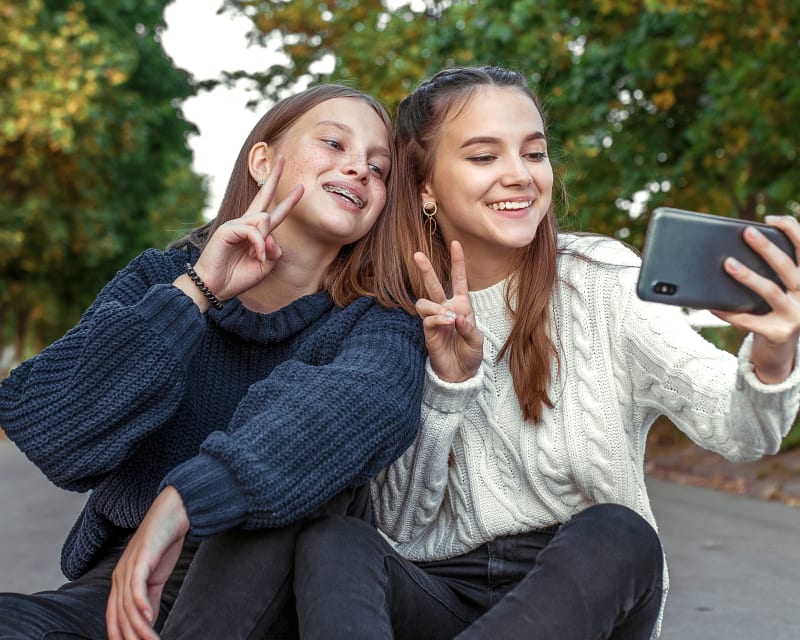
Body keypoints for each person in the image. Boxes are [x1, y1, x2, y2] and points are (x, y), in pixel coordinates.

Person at [291, 65, 800, 639]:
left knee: (619, 532)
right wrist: (447, 389)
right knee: (335, 540)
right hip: (440, 595)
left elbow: (742, 431)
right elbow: (402, 528)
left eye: (533, 154)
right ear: (425, 185)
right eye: (484, 157)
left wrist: (774, 350)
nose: (519, 176)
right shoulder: (384, 312)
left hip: (584, 595)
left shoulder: (601, 282)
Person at [0, 83, 427, 640]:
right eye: (334, 144)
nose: (360, 170)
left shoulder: (380, 320)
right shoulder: (161, 280)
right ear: (262, 160)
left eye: (378, 166)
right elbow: (53, 428)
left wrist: (187, 498)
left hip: (279, 591)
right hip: (130, 583)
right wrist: (197, 291)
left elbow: (357, 407)